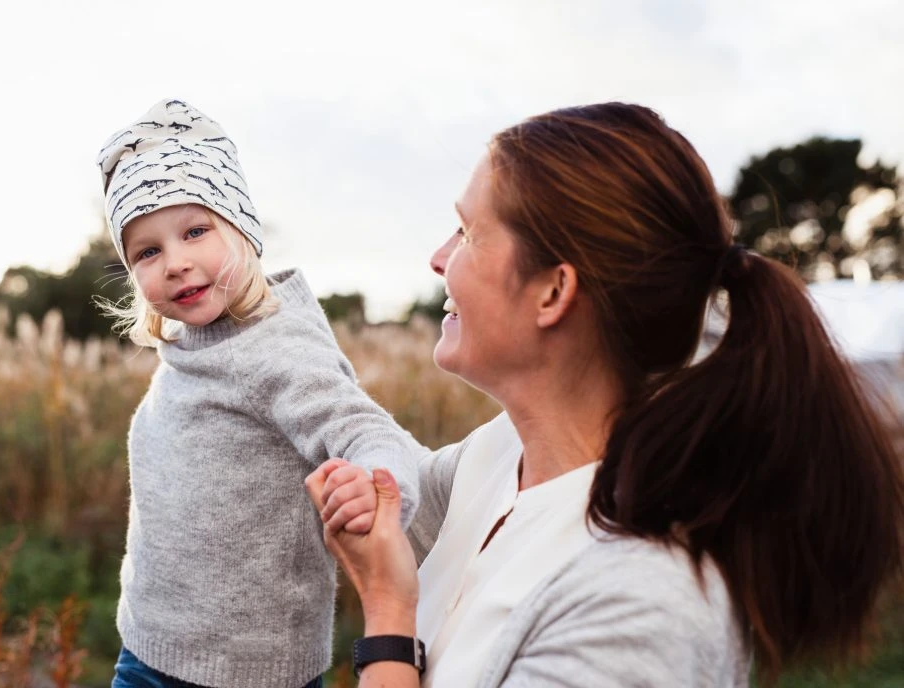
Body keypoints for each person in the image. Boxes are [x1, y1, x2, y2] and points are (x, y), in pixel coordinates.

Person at [309, 102, 904, 687]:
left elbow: (391, 561)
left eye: (467, 232)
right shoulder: (502, 455)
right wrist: (272, 334)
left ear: (553, 293)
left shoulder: (646, 609)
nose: (439, 260)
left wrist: (388, 615)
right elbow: (394, 493)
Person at [96, 99, 422, 688]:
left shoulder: (275, 346)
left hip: (248, 673)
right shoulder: (194, 343)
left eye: (196, 230)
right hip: (146, 651)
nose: (176, 262)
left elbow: (368, 432)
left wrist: (376, 489)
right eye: (147, 251)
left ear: (243, 228)